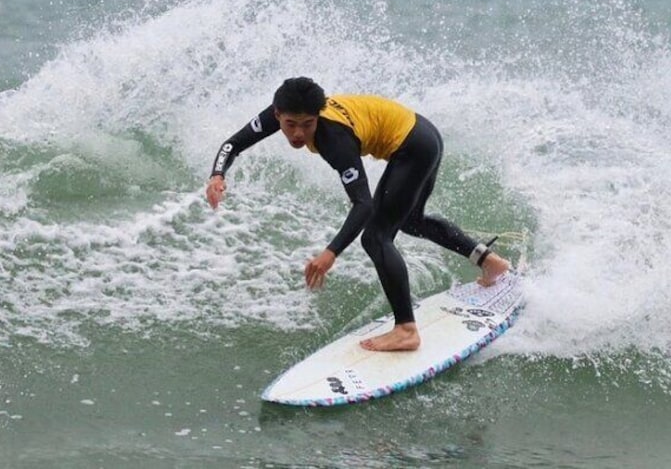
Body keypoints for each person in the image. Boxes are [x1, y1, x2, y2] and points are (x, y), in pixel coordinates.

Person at [205, 77, 510, 352]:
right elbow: (233, 144)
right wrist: (218, 174)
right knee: (411, 220)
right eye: (290, 124)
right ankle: (490, 262)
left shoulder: (333, 139)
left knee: (376, 238)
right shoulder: (282, 113)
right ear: (276, 115)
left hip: (414, 146)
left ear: (319, 116)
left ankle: (406, 329)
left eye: (307, 124)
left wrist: (331, 252)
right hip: (423, 133)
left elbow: (362, 204)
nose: (298, 133)